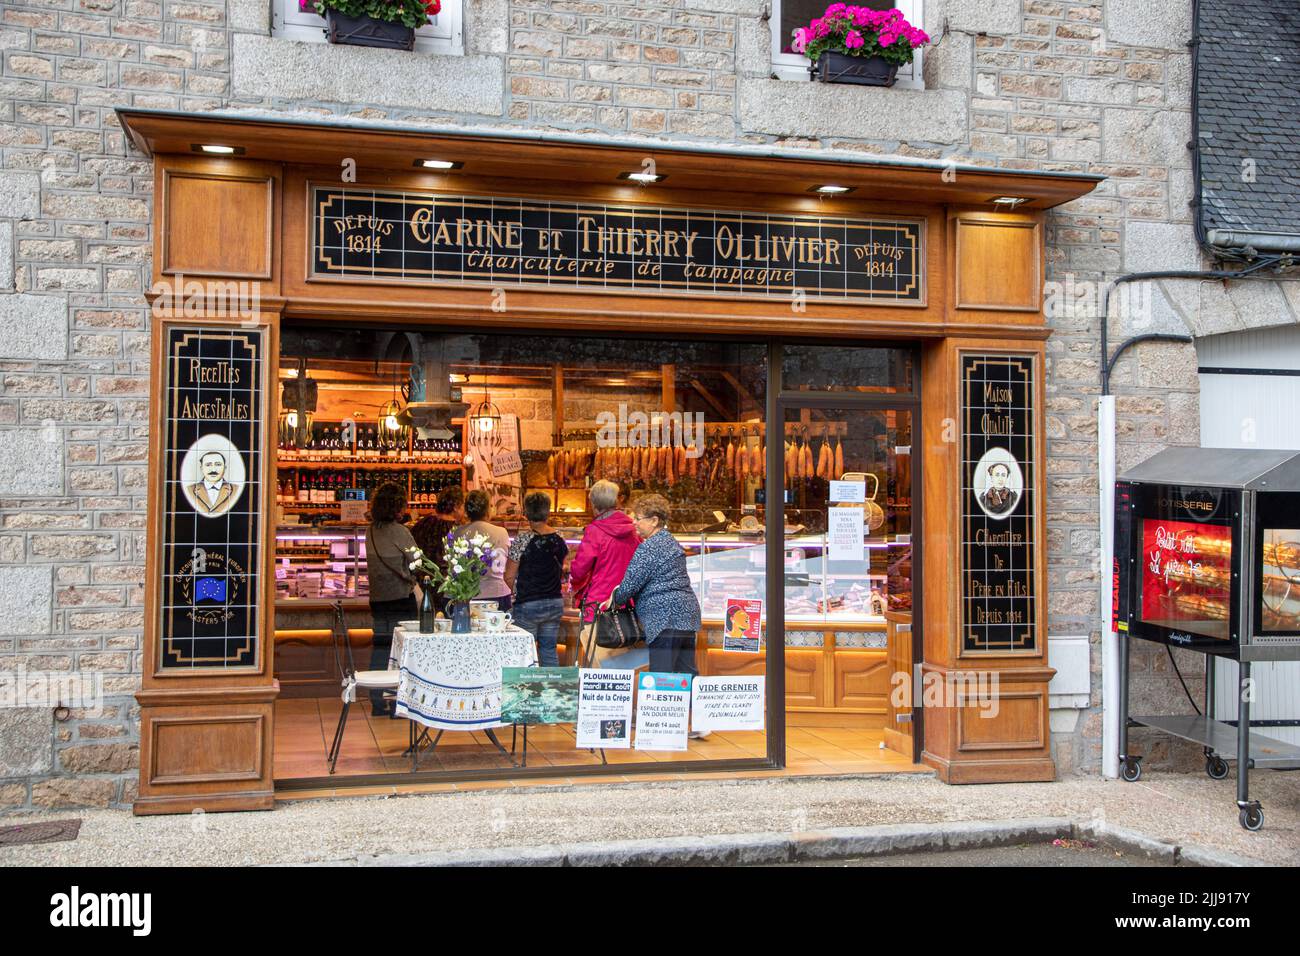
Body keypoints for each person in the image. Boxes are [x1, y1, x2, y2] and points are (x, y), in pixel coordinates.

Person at [602, 493, 707, 737]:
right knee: (687, 670)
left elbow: (630, 584)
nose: (634, 523)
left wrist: (614, 599)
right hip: (686, 613)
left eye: (639, 519)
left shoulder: (649, 547)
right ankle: (701, 722)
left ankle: (662, 727)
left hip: (664, 616)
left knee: (662, 672)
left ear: (655, 520)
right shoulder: (671, 542)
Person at [568, 479, 639, 665]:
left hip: (599, 605)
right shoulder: (634, 529)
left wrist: (572, 579)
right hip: (627, 603)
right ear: (617, 501)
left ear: (593, 504)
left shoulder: (595, 531)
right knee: (625, 663)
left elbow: (579, 568)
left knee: (598, 662)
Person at [364, 482, 418, 717]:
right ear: (397, 506)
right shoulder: (400, 531)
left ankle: (376, 699)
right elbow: (418, 561)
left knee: (381, 647)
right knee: (402, 651)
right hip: (400, 597)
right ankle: (399, 702)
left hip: (377, 599)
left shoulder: (370, 530)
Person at [504, 492, 569, 667]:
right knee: (549, 651)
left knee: (526, 654)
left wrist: (514, 595)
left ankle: (527, 692)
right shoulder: (559, 539)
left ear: (526, 513)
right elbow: (564, 568)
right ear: (547, 512)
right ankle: (551, 691)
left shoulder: (522, 540)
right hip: (554, 602)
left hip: (528, 604)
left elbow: (508, 576)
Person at [454, 488, 512, 610]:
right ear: (487, 510)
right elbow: (503, 564)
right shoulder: (501, 532)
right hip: (496, 594)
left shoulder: (457, 533)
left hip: (465, 594)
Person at [410, 486, 464, 613]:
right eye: (462, 506)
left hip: (423, 585)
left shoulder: (423, 523)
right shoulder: (458, 530)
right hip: (447, 590)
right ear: (456, 506)